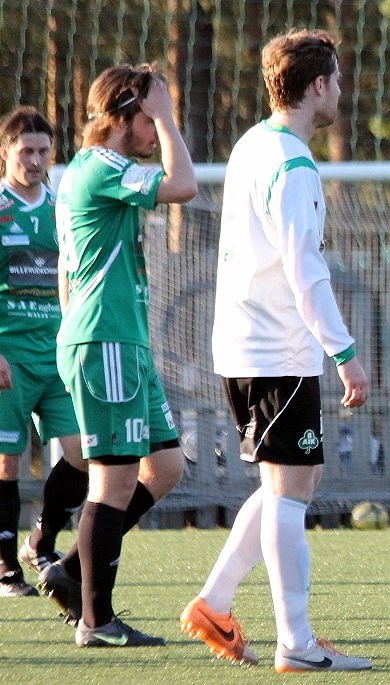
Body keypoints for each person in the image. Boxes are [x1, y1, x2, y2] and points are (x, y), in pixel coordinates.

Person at [179, 29, 371, 673]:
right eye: (336, 80)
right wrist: (343, 352)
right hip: (275, 349)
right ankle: (297, 643)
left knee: (297, 478)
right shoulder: (292, 163)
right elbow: (304, 270)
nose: (340, 90)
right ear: (317, 86)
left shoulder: (252, 145)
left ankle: (214, 602)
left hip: (247, 343)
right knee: (290, 490)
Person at [41, 64, 197, 647]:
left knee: (167, 466)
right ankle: (96, 619)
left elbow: (68, 270)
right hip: (105, 341)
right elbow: (184, 186)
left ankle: (70, 571)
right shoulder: (101, 166)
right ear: (121, 117)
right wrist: (168, 116)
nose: (156, 131)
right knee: (113, 482)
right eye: (148, 119)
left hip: (121, 341)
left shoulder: (97, 171)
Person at [0, 107, 89, 598]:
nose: (35, 161)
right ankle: (5, 567)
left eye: (43, 151)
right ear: (6, 152)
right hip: (9, 355)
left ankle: (41, 540)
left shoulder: (62, 208)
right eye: (26, 151)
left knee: (82, 453)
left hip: (57, 355)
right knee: (6, 461)